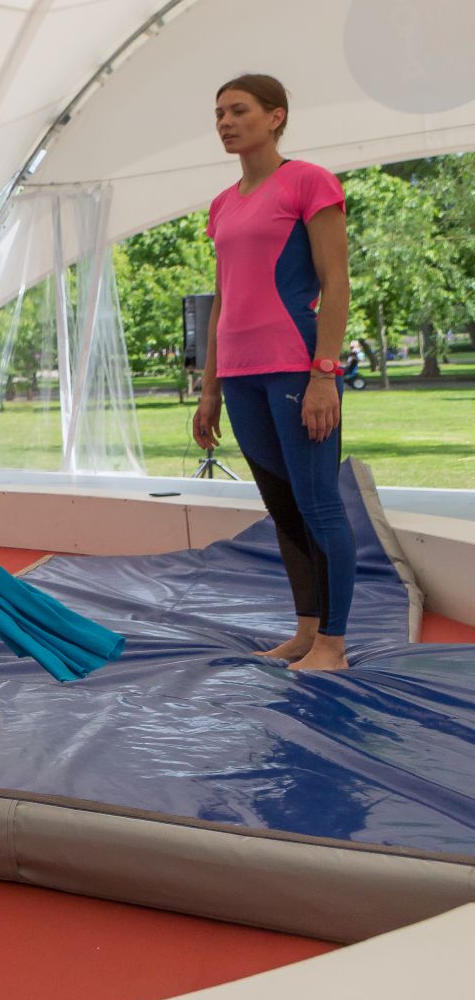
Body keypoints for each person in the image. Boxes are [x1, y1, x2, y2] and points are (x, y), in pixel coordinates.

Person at [191, 73, 354, 673]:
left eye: (239, 111)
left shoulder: (309, 182)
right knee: (284, 509)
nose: (226, 122)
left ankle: (334, 645)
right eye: (219, 114)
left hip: (294, 365)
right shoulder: (222, 204)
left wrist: (323, 374)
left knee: (319, 504)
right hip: (239, 374)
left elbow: (335, 283)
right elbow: (223, 301)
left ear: (276, 116)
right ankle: (307, 632)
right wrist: (208, 390)